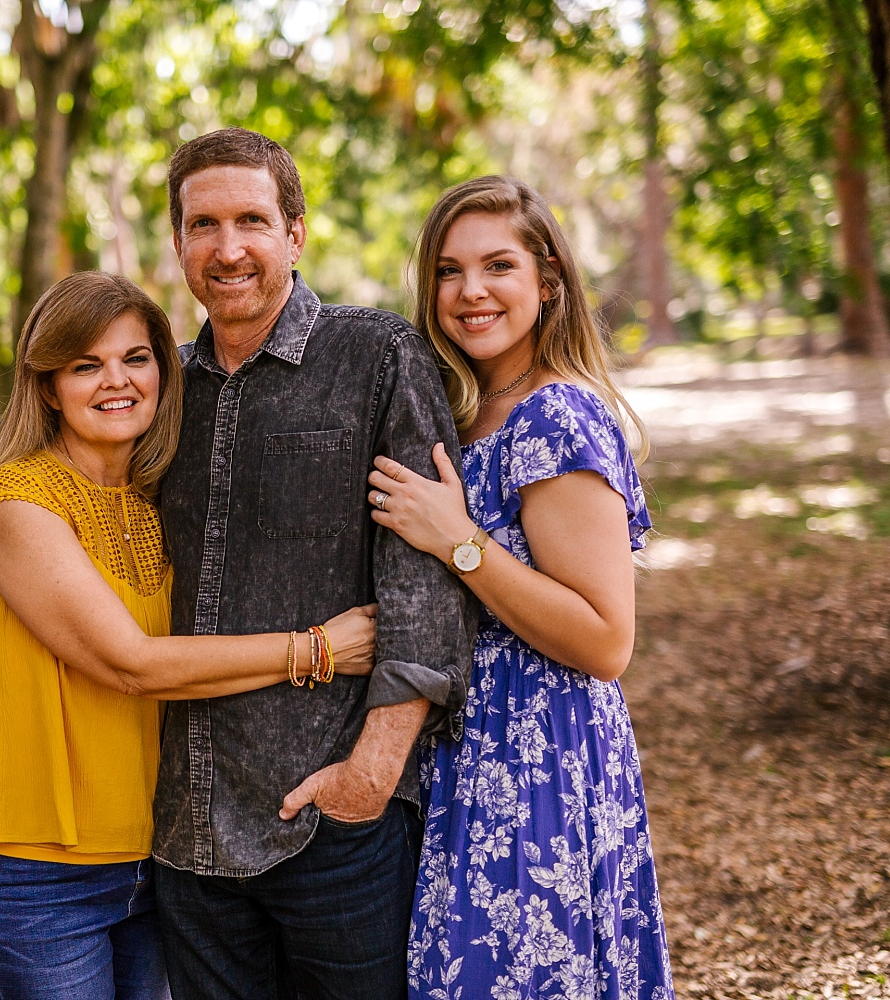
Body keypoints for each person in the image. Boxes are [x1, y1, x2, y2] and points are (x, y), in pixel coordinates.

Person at [0, 128, 477, 999]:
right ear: (179, 243)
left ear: (295, 232)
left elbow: (424, 579)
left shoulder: (376, 357)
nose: (228, 248)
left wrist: (373, 775)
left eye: (251, 220)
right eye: (204, 224)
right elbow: (76, 585)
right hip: (184, 839)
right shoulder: (164, 396)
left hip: (330, 818)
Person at [0, 270, 379, 1000]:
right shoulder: (18, 499)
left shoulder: (155, 498)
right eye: (86, 365)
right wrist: (317, 650)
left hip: (152, 858)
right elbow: (133, 664)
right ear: (48, 385)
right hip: (30, 868)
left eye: (135, 359)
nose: (116, 381)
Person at [364, 175, 674, 998]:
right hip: (468, 749)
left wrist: (459, 542)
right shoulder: (465, 407)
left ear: (548, 279)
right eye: (448, 270)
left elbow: (607, 640)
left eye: (497, 266)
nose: (470, 292)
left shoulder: (555, 416)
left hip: (539, 755)